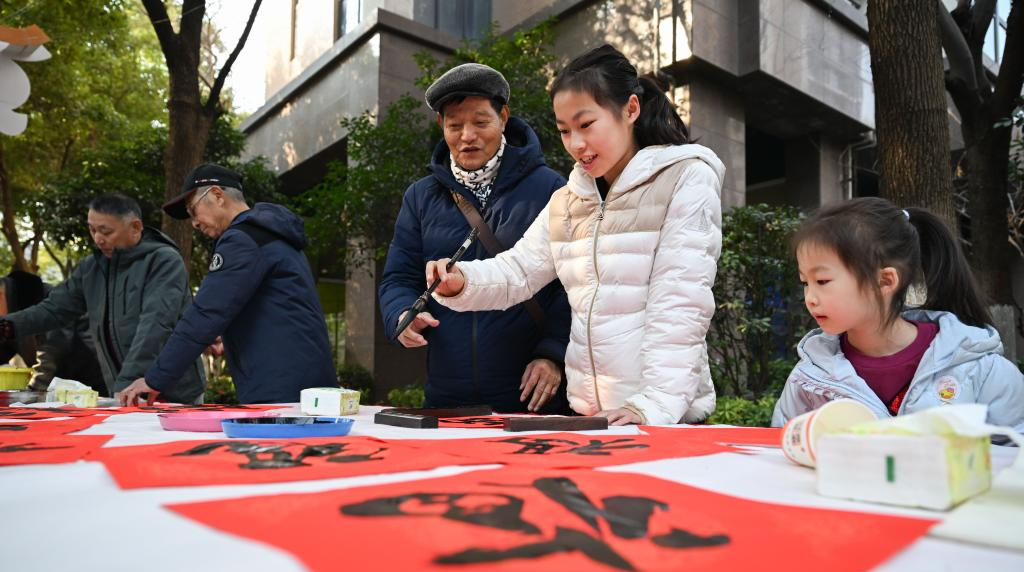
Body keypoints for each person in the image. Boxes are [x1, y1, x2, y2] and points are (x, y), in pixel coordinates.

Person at [425, 45, 725, 425]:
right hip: (591, 416)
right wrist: (461, 281)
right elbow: (519, 271)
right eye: (564, 130)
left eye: (586, 125)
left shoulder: (684, 178)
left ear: (630, 110)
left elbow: (681, 303)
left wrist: (653, 405)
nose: (576, 144)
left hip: (663, 416)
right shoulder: (569, 200)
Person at [379, 63, 571, 413]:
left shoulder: (551, 189)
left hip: (530, 394)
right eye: (454, 125)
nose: (467, 135)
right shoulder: (420, 197)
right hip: (447, 392)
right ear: (441, 126)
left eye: (481, 122)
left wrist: (554, 353)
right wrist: (402, 314)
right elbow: (398, 277)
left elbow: (573, 284)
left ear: (504, 118)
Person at [771, 197, 1024, 430]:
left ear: (885, 281)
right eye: (805, 282)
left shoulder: (977, 367)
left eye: (822, 281)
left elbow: (1014, 457)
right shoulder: (809, 379)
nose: (810, 298)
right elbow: (784, 454)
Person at [119, 164, 337, 405]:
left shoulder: (241, 240)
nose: (194, 223)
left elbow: (205, 313)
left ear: (217, 195)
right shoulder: (272, 234)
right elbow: (276, 308)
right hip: (304, 379)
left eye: (193, 210)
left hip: (279, 386)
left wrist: (155, 379)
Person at [0, 194, 205, 403]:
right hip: (123, 390)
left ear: (135, 227)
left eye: (106, 231)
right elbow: (54, 309)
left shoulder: (164, 261)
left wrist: (126, 381)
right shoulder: (92, 268)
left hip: (173, 391)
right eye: (92, 229)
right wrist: (8, 326)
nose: (98, 238)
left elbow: (155, 325)